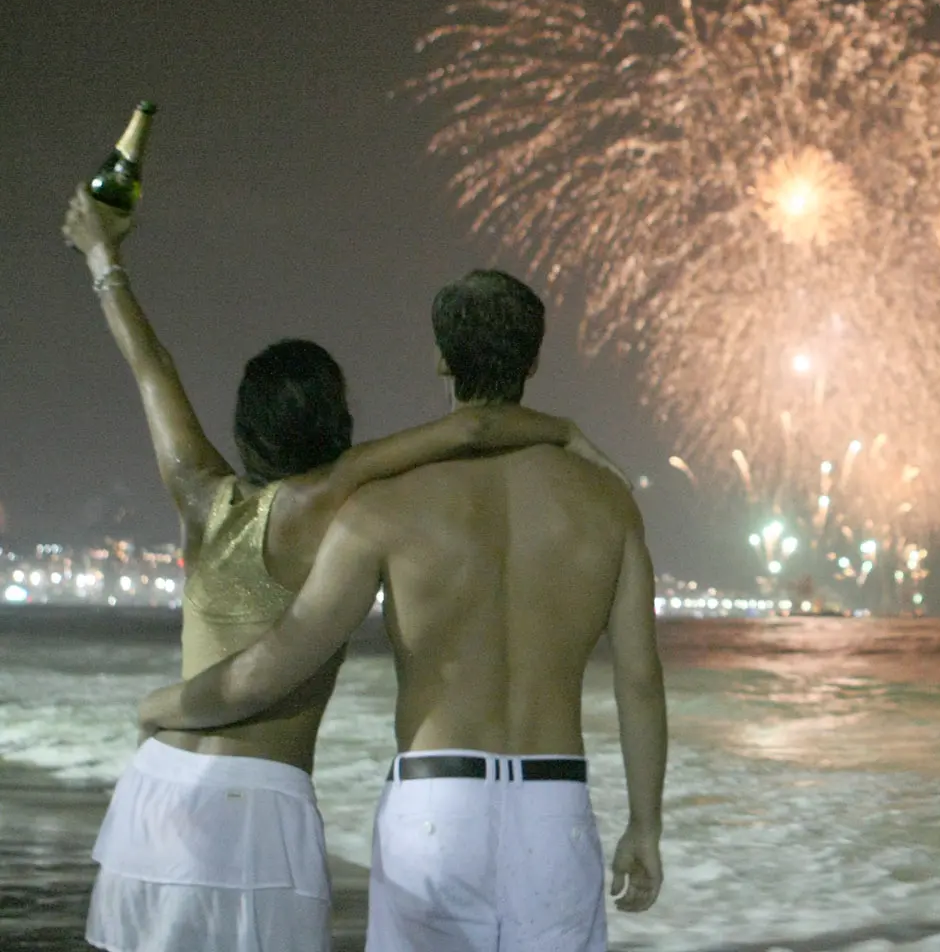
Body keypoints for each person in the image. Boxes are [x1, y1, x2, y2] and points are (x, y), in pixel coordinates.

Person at [63, 192, 611, 952]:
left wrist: (103, 258)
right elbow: (474, 423)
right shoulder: (330, 499)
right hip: (259, 814)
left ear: (244, 427)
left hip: (155, 798)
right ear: (339, 423)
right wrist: (567, 433)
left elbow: (151, 369)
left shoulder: (201, 498)